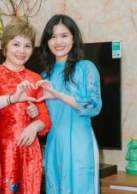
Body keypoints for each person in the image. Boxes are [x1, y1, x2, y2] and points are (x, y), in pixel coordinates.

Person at [0, 18, 51, 194]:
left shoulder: (36, 78)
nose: (22, 51)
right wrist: (13, 98)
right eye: (16, 44)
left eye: (27, 46)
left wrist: (34, 124)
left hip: (28, 155)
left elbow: (45, 119)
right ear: (5, 47)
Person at [38, 14, 102, 194]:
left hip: (80, 144)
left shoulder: (85, 68)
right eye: (53, 36)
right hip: (54, 145)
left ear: (74, 38)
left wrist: (56, 94)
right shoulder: (44, 76)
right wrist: (33, 108)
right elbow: (45, 116)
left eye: (64, 35)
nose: (58, 41)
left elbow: (93, 106)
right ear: (47, 42)